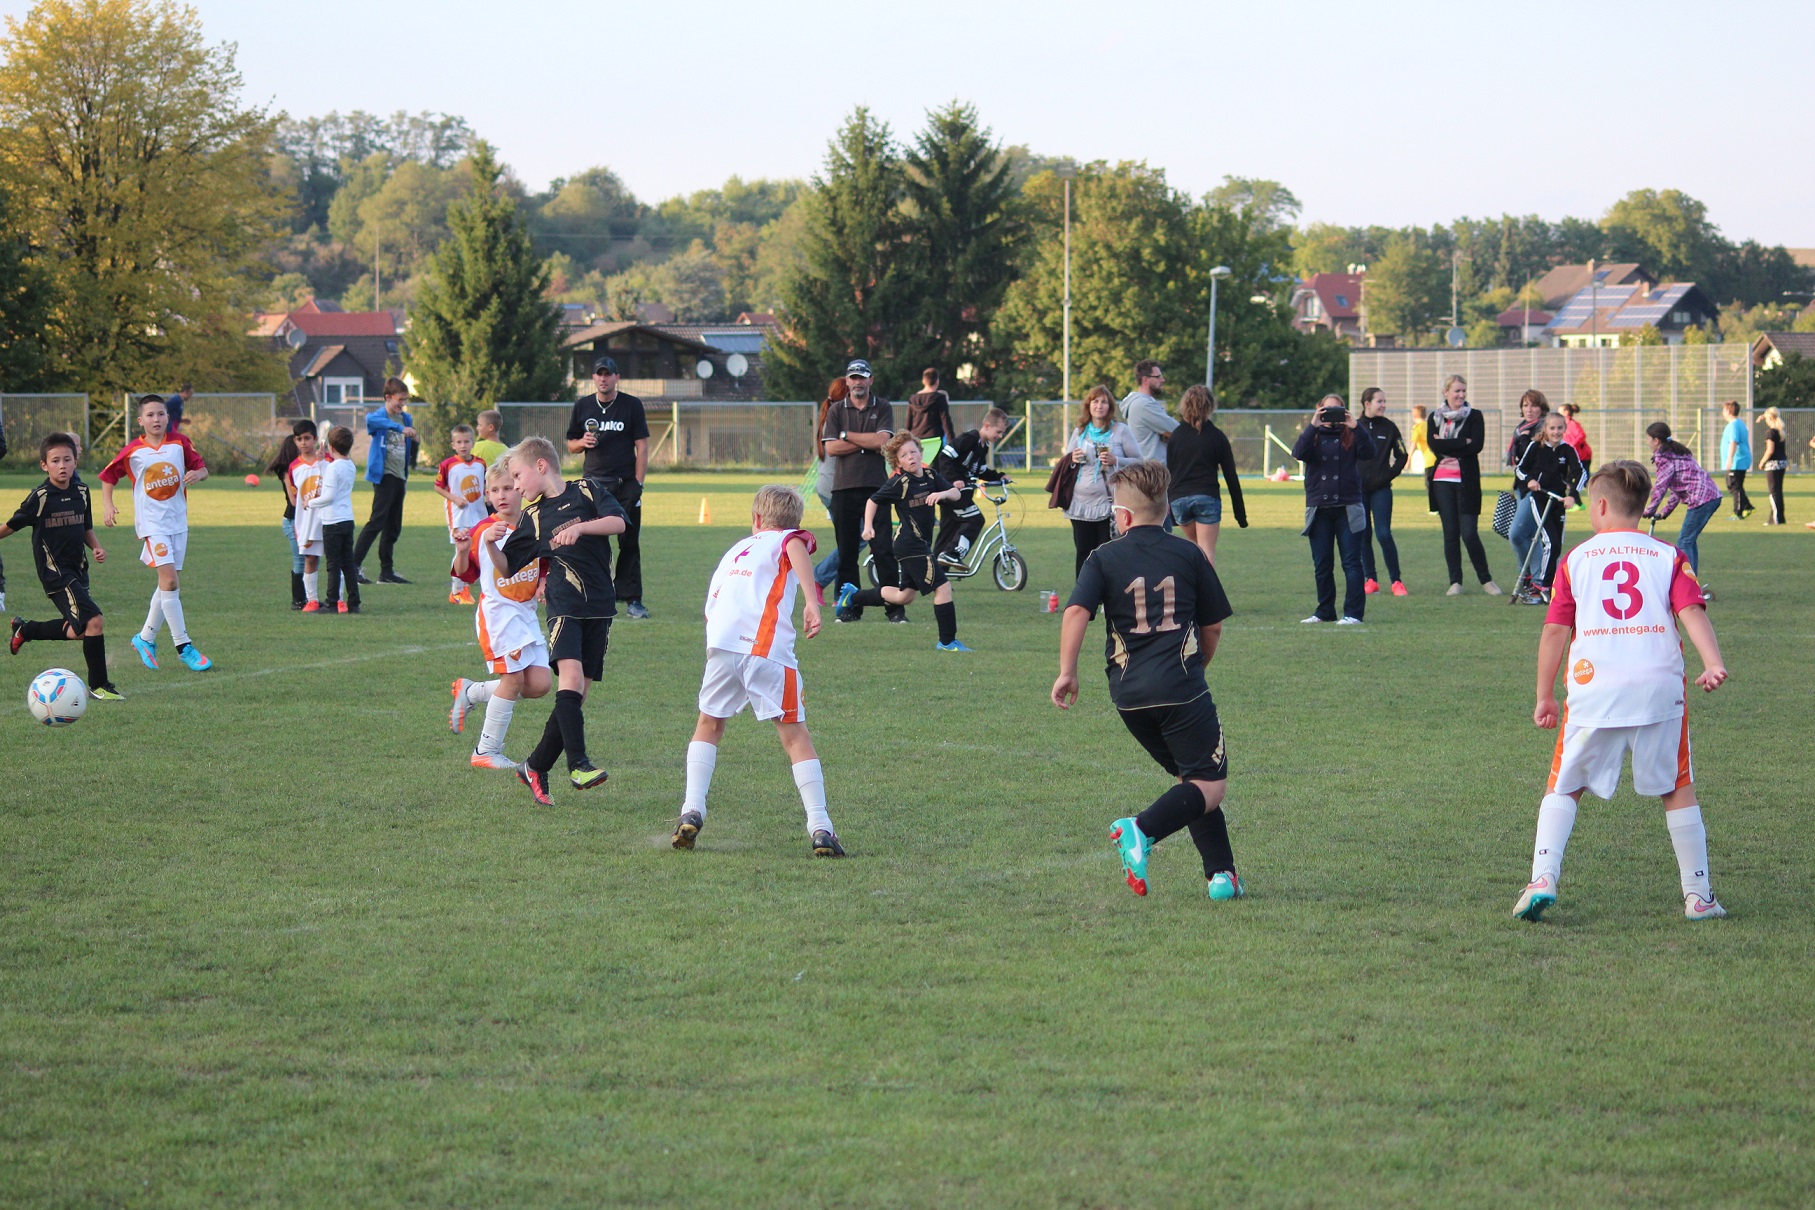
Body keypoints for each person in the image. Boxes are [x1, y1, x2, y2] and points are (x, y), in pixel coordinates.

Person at [1513, 459, 1730, 924]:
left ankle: (1543, 877)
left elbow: (1555, 630)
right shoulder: (1667, 556)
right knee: (1676, 786)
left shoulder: (1576, 560)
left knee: (1565, 786)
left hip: (1594, 689)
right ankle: (1698, 896)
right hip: (1658, 687)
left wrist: (1544, 695)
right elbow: (1693, 611)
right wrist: (1713, 663)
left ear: (1603, 505)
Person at [1051, 461, 1241, 902]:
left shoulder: (1102, 557)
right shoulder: (1189, 553)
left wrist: (1067, 671)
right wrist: (1200, 666)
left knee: (1190, 778)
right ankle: (1140, 829)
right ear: (1168, 510)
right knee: (1209, 786)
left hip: (1129, 696)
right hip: (1181, 689)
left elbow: (1077, 611)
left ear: (1123, 516)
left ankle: (1222, 876)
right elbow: (1212, 627)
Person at [673, 484, 845, 857]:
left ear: (755, 519)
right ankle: (820, 827)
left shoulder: (735, 549)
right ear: (793, 523)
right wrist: (812, 603)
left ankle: (692, 808)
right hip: (764, 648)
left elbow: (712, 602)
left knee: (709, 724)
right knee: (795, 736)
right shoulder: (789, 538)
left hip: (722, 645)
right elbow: (796, 546)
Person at [489, 436, 628, 803]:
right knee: (570, 679)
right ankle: (578, 765)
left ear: (540, 466)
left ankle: (534, 765)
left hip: (600, 604)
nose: (516, 486)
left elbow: (618, 523)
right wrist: (489, 545)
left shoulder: (587, 490)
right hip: (564, 604)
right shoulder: (533, 518)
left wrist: (581, 527)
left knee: (578, 695)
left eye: (517, 476)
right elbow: (506, 568)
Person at [3, 432, 123, 700]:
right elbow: (11, 526)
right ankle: (100, 685)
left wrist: (97, 547)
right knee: (95, 621)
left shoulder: (81, 491)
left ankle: (27, 629)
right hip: (54, 572)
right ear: (44, 465)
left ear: (76, 461)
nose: (62, 465)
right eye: (55, 460)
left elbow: (85, 527)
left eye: (67, 459)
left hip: (79, 570)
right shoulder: (41, 496)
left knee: (82, 630)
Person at [99, 394, 215, 672]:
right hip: (152, 525)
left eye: (161, 414)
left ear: (167, 417)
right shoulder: (132, 451)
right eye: (150, 415)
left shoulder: (179, 442)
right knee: (171, 582)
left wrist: (198, 475)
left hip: (177, 522)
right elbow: (107, 477)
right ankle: (183, 646)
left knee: (167, 583)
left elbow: (203, 468)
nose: (156, 419)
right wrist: (108, 504)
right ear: (140, 421)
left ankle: (145, 638)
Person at [449, 461, 550, 771]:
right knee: (513, 678)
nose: (502, 495)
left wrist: (542, 582)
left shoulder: (533, 524)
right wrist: (464, 550)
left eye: (508, 487)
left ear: (520, 489)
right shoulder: (483, 530)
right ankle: (486, 750)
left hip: (526, 615)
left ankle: (471, 691)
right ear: (488, 496)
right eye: (495, 490)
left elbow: (542, 561)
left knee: (539, 684)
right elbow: (465, 575)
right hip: (498, 616)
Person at [840, 432, 969, 651]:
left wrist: (943, 494)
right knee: (943, 587)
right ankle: (947, 642)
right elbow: (873, 500)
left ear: (920, 453)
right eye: (904, 455)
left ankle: (853, 596)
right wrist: (869, 526)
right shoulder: (900, 483)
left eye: (913, 451)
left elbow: (956, 494)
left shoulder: (931, 476)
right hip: (910, 544)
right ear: (897, 462)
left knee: (904, 596)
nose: (910, 457)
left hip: (918, 545)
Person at [565, 355, 651, 618]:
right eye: (599, 374)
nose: (603, 379)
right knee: (591, 541)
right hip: (593, 485)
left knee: (628, 542)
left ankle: (632, 599)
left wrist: (638, 483)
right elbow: (570, 444)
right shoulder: (582, 406)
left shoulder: (631, 405)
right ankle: (594, 594)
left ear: (617, 377)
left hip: (625, 484)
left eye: (608, 374)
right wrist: (582, 443)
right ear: (593, 378)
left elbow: (643, 445)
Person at [820, 359, 900, 622]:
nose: (857, 382)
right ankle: (851, 608)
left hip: (877, 489)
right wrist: (865, 442)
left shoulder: (883, 406)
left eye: (862, 378)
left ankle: (894, 608)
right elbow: (831, 448)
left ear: (870, 380)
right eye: (853, 378)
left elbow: (883, 441)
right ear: (847, 381)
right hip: (843, 489)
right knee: (847, 553)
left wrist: (846, 436)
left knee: (883, 550)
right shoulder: (836, 411)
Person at [1292, 394, 1377, 625]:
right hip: (1319, 507)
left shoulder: (1351, 434)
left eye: (1337, 410)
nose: (1331, 416)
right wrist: (1312, 426)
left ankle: (1353, 613)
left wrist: (1355, 426)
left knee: (1351, 562)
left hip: (1348, 506)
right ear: (1318, 411)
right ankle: (1324, 611)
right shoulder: (1313, 436)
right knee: (1322, 564)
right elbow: (1298, 453)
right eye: (1326, 410)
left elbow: (1371, 452)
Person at [1425, 375, 1501, 596]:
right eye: (1456, 391)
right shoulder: (1434, 417)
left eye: (1463, 391)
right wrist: (1460, 442)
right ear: (1445, 392)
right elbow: (1433, 445)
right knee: (1450, 533)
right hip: (1441, 480)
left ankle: (1486, 580)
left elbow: (1476, 445)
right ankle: (1455, 581)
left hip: (1467, 481)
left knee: (1469, 533)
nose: (1460, 395)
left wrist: (1448, 444)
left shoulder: (1475, 416)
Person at [1165, 384, 1246, 568]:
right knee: (1207, 551)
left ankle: (1193, 594)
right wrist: (1240, 515)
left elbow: (1170, 473)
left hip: (1180, 500)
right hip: (1207, 497)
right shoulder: (1217, 437)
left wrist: (1170, 506)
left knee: (1195, 550)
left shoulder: (1176, 436)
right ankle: (1208, 596)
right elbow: (1231, 477)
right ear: (1210, 407)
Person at [1063, 385, 1141, 574]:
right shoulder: (1081, 431)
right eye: (1095, 401)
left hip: (1108, 504)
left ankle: (1107, 598)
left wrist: (1117, 460)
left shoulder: (1120, 430)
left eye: (1104, 402)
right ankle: (1083, 598)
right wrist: (1072, 458)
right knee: (1083, 552)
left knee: (1106, 552)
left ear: (1110, 406)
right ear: (1088, 405)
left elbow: (1140, 461)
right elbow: (1065, 461)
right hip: (1080, 503)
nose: (1099, 406)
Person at [1509, 412, 1584, 604]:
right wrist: (1530, 481)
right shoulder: (1536, 447)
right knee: (1549, 541)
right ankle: (1541, 584)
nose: (1556, 432)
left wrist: (1573, 495)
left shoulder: (1567, 450)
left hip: (1558, 501)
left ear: (1564, 429)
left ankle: (1547, 584)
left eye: (1560, 428)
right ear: (1545, 430)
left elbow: (1580, 473)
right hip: (1539, 497)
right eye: (1552, 428)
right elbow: (1520, 469)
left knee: (1556, 544)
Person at [352, 377, 417, 586]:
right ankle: (353, 566)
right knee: (376, 522)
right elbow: (372, 421)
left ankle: (386, 572)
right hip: (384, 476)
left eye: (405, 400)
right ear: (388, 397)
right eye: (399, 400)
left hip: (399, 476)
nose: (402, 404)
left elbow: (408, 443)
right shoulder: (380, 417)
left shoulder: (405, 418)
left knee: (393, 526)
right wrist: (399, 430)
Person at [1641, 422, 1721, 589]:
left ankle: (1689, 586)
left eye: (1648, 439)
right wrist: (1665, 511)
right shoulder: (1678, 453)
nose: (1647, 442)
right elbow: (1678, 487)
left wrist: (1650, 509)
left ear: (1656, 440)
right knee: (1689, 540)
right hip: (1710, 495)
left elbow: (1661, 486)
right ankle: (1693, 584)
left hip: (1702, 498)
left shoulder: (1664, 458)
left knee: (1684, 541)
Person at [932, 406, 1011, 567]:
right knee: (975, 519)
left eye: (1002, 432)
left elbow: (980, 470)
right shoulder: (969, 439)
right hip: (951, 492)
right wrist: (954, 479)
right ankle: (952, 553)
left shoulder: (984, 446)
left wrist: (999, 476)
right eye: (998, 431)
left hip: (961, 494)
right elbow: (945, 457)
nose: (1000, 436)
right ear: (987, 426)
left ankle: (936, 578)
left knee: (947, 532)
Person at [1354, 387, 1408, 595]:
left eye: (1385, 401)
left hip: (1381, 490)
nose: (1384, 405)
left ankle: (1396, 581)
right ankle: (1371, 580)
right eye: (1380, 401)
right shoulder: (1355, 427)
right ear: (1367, 403)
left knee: (1383, 534)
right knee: (1363, 535)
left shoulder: (1389, 427)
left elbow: (1402, 455)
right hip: (1358, 492)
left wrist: (1387, 475)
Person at [434, 424, 488, 606]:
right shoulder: (448, 465)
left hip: (478, 513)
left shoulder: (480, 463)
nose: (463, 445)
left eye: (466, 441)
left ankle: (478, 586)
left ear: (473, 442)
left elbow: (484, 485)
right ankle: (457, 590)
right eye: (459, 442)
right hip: (459, 514)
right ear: (453, 445)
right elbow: (438, 487)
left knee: (480, 549)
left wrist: (488, 496)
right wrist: (455, 499)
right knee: (461, 549)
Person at [811, 376, 855, 596]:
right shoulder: (839, 417)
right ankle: (818, 578)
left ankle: (839, 591)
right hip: (834, 488)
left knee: (850, 539)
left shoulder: (833, 415)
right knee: (857, 538)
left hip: (830, 486)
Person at [267, 419, 315, 610]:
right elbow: (294, 500)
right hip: (293, 520)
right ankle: (299, 600)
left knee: (306, 558)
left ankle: (307, 598)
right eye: (298, 441)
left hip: (297, 519)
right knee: (300, 560)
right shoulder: (288, 472)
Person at [1505, 390, 1550, 593]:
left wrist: (1523, 440)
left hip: (1537, 488)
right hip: (1521, 487)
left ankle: (1530, 576)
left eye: (1533, 405)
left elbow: (1532, 456)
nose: (1529, 410)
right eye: (1525, 405)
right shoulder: (1520, 429)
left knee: (1517, 534)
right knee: (1530, 534)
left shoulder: (1542, 429)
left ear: (1541, 407)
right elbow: (1517, 462)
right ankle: (1536, 581)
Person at [312, 426, 359, 614]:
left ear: (330, 447)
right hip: (347, 518)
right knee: (348, 563)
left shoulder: (333, 468)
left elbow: (329, 496)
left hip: (332, 521)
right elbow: (334, 478)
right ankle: (354, 602)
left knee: (333, 564)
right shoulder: (350, 465)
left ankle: (331, 603)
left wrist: (310, 502)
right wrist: (322, 462)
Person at [287, 425, 325, 611]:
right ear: (295, 441)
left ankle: (338, 599)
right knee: (310, 558)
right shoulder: (294, 466)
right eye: (299, 439)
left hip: (328, 518)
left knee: (336, 559)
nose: (303, 442)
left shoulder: (327, 461)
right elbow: (297, 495)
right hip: (307, 521)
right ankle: (312, 600)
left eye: (307, 438)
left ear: (315, 439)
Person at [1119, 359, 1175, 465]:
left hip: (1149, 469)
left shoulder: (1142, 402)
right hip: (1151, 471)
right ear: (1145, 380)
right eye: (1158, 377)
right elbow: (1176, 429)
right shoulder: (1144, 405)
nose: (1162, 380)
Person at [1717, 401, 1752, 519]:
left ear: (1728, 411)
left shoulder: (1733, 425)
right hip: (1739, 460)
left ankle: (1738, 512)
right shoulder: (1739, 423)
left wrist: (1729, 459)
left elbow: (1733, 442)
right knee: (1736, 486)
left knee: (1734, 486)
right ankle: (1747, 506)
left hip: (1737, 461)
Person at [904, 367, 955, 444]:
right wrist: (953, 442)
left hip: (917, 440)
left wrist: (905, 442)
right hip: (935, 440)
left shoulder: (913, 399)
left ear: (923, 381)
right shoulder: (939, 398)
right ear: (937, 381)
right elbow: (946, 422)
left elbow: (908, 424)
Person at [1757, 405, 1787, 526]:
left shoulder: (1770, 432)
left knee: (1773, 492)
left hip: (1773, 465)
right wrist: (1763, 416)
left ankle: (1776, 518)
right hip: (1782, 463)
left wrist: (1762, 462)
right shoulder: (1780, 431)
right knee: (1778, 491)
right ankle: (1780, 517)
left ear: (1770, 418)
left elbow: (1770, 450)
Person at [1558, 402, 1593, 480]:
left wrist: (1572, 444)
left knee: (1581, 478)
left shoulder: (1572, 424)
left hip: (1582, 456)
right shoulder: (1562, 424)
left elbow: (1581, 435)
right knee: (1567, 477)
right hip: (1573, 455)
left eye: (1560, 412)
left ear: (1566, 413)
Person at [1407, 403, 1432, 475]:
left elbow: (1413, 445)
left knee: (1429, 484)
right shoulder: (1429, 425)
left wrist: (1408, 460)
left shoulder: (1417, 428)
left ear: (1413, 416)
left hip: (1429, 460)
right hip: (1437, 458)